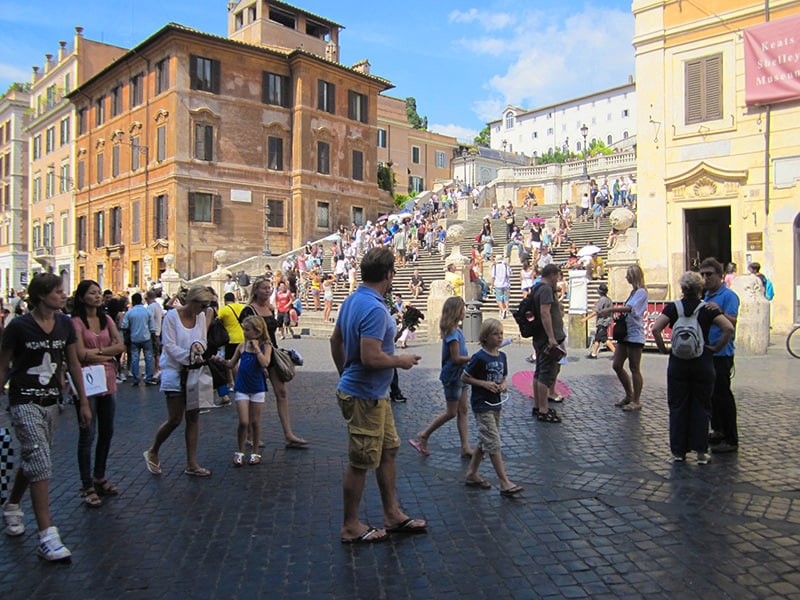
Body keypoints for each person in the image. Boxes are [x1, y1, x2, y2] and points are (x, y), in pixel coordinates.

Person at [329, 247, 426, 544]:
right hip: (365, 395)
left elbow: (336, 340)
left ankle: (392, 513)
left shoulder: (354, 300)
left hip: (373, 394)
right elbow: (371, 357)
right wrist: (400, 361)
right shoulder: (373, 307)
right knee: (361, 461)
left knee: (388, 450)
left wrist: (344, 371)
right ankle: (350, 525)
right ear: (388, 275)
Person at [0, 273, 92, 561]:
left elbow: (73, 362)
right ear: (41, 296)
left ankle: (12, 504)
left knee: (34, 458)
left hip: (53, 400)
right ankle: (47, 536)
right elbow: (3, 366)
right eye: (57, 292)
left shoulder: (65, 324)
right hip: (24, 399)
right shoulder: (18, 326)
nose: (63, 296)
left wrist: (83, 401)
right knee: (40, 460)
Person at [652, 272, 734, 464]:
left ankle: (678, 452)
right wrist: (715, 347)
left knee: (678, 406)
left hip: (678, 362)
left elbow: (656, 329)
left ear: (682, 288)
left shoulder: (674, 308)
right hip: (702, 361)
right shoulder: (707, 308)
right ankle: (700, 453)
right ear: (700, 289)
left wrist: (664, 349)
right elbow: (728, 328)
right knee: (701, 406)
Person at [144, 285, 216, 478]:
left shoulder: (201, 316)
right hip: (174, 371)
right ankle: (153, 449)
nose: (203, 310)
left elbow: (202, 339)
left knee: (193, 417)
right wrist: (189, 357)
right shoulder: (171, 317)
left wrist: (199, 351)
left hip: (193, 371)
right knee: (175, 418)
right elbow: (169, 346)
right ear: (192, 302)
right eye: (202, 305)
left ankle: (192, 463)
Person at [71, 280, 126, 508]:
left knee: (107, 432)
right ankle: (87, 485)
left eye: (98, 293)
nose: (97, 296)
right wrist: (107, 354)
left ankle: (99, 477)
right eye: (92, 293)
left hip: (107, 380)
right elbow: (79, 354)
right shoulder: (75, 323)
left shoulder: (107, 319)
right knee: (87, 435)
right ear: (82, 297)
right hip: (86, 383)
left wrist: (97, 353)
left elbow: (120, 346)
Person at [239, 277, 307, 448]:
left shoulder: (269, 308)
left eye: (269, 288)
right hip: (255, 354)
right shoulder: (249, 310)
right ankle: (250, 435)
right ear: (255, 290)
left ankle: (288, 434)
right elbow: (246, 335)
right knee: (252, 394)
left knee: (282, 393)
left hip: (272, 352)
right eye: (264, 288)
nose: (268, 291)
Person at [461, 318, 523, 495]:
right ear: (485, 337)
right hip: (482, 404)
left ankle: (472, 473)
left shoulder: (502, 356)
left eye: (501, 334)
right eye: (495, 334)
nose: (499, 337)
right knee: (493, 442)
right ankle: (504, 482)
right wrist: (483, 384)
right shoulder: (479, 357)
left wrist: (504, 384)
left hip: (496, 403)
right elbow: (464, 377)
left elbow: (503, 376)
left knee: (485, 439)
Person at [409, 297, 473, 459]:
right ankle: (424, 434)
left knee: (463, 410)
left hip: (461, 375)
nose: (464, 312)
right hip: (452, 376)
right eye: (462, 309)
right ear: (456, 312)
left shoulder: (457, 331)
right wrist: (474, 358)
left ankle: (465, 446)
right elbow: (456, 358)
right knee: (452, 412)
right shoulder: (452, 333)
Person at [217, 315, 272, 466]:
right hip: (241, 386)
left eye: (247, 330)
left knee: (255, 422)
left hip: (257, 387)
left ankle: (255, 452)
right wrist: (222, 361)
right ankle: (240, 451)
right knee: (244, 421)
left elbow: (265, 363)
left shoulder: (266, 347)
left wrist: (256, 349)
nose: (245, 333)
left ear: (257, 331)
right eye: (244, 329)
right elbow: (231, 364)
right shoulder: (241, 346)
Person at [700, 258, 740, 453]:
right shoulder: (706, 296)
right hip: (708, 350)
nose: (706, 278)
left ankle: (731, 438)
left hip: (722, 351)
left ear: (720, 276)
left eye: (710, 274)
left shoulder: (728, 296)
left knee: (724, 394)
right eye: (703, 275)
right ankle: (718, 430)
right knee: (712, 395)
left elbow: (732, 321)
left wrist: (720, 311)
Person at [596, 264, 648, 411]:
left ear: (634, 276)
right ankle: (629, 394)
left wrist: (611, 309)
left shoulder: (642, 292)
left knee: (634, 368)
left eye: (628, 275)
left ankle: (636, 400)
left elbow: (631, 309)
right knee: (617, 365)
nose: (626, 277)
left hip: (635, 335)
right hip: (625, 334)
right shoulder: (633, 292)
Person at [529, 264, 566, 423]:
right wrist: (552, 337)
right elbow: (545, 313)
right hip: (546, 338)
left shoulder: (537, 288)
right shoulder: (545, 289)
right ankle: (543, 409)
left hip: (539, 336)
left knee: (539, 371)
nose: (558, 281)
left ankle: (539, 405)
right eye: (557, 277)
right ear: (551, 275)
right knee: (545, 373)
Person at [121, 293, 157, 387]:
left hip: (134, 338)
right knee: (148, 358)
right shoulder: (147, 311)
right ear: (141, 300)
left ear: (132, 301)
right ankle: (148, 377)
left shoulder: (130, 313)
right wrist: (153, 339)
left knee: (134, 358)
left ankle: (135, 378)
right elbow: (152, 327)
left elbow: (124, 326)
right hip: (146, 337)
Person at [587, 283, 615, 358]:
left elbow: (596, 311)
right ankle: (594, 353)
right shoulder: (609, 300)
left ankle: (616, 353)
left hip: (602, 321)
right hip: (607, 321)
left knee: (604, 339)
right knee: (597, 338)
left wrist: (586, 318)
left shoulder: (602, 300)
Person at [145, 290, 164, 379]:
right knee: (157, 352)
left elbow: (148, 318)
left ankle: (155, 370)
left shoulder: (151, 307)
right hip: (158, 330)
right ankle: (158, 369)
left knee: (153, 353)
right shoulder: (158, 306)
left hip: (152, 332)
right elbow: (163, 315)